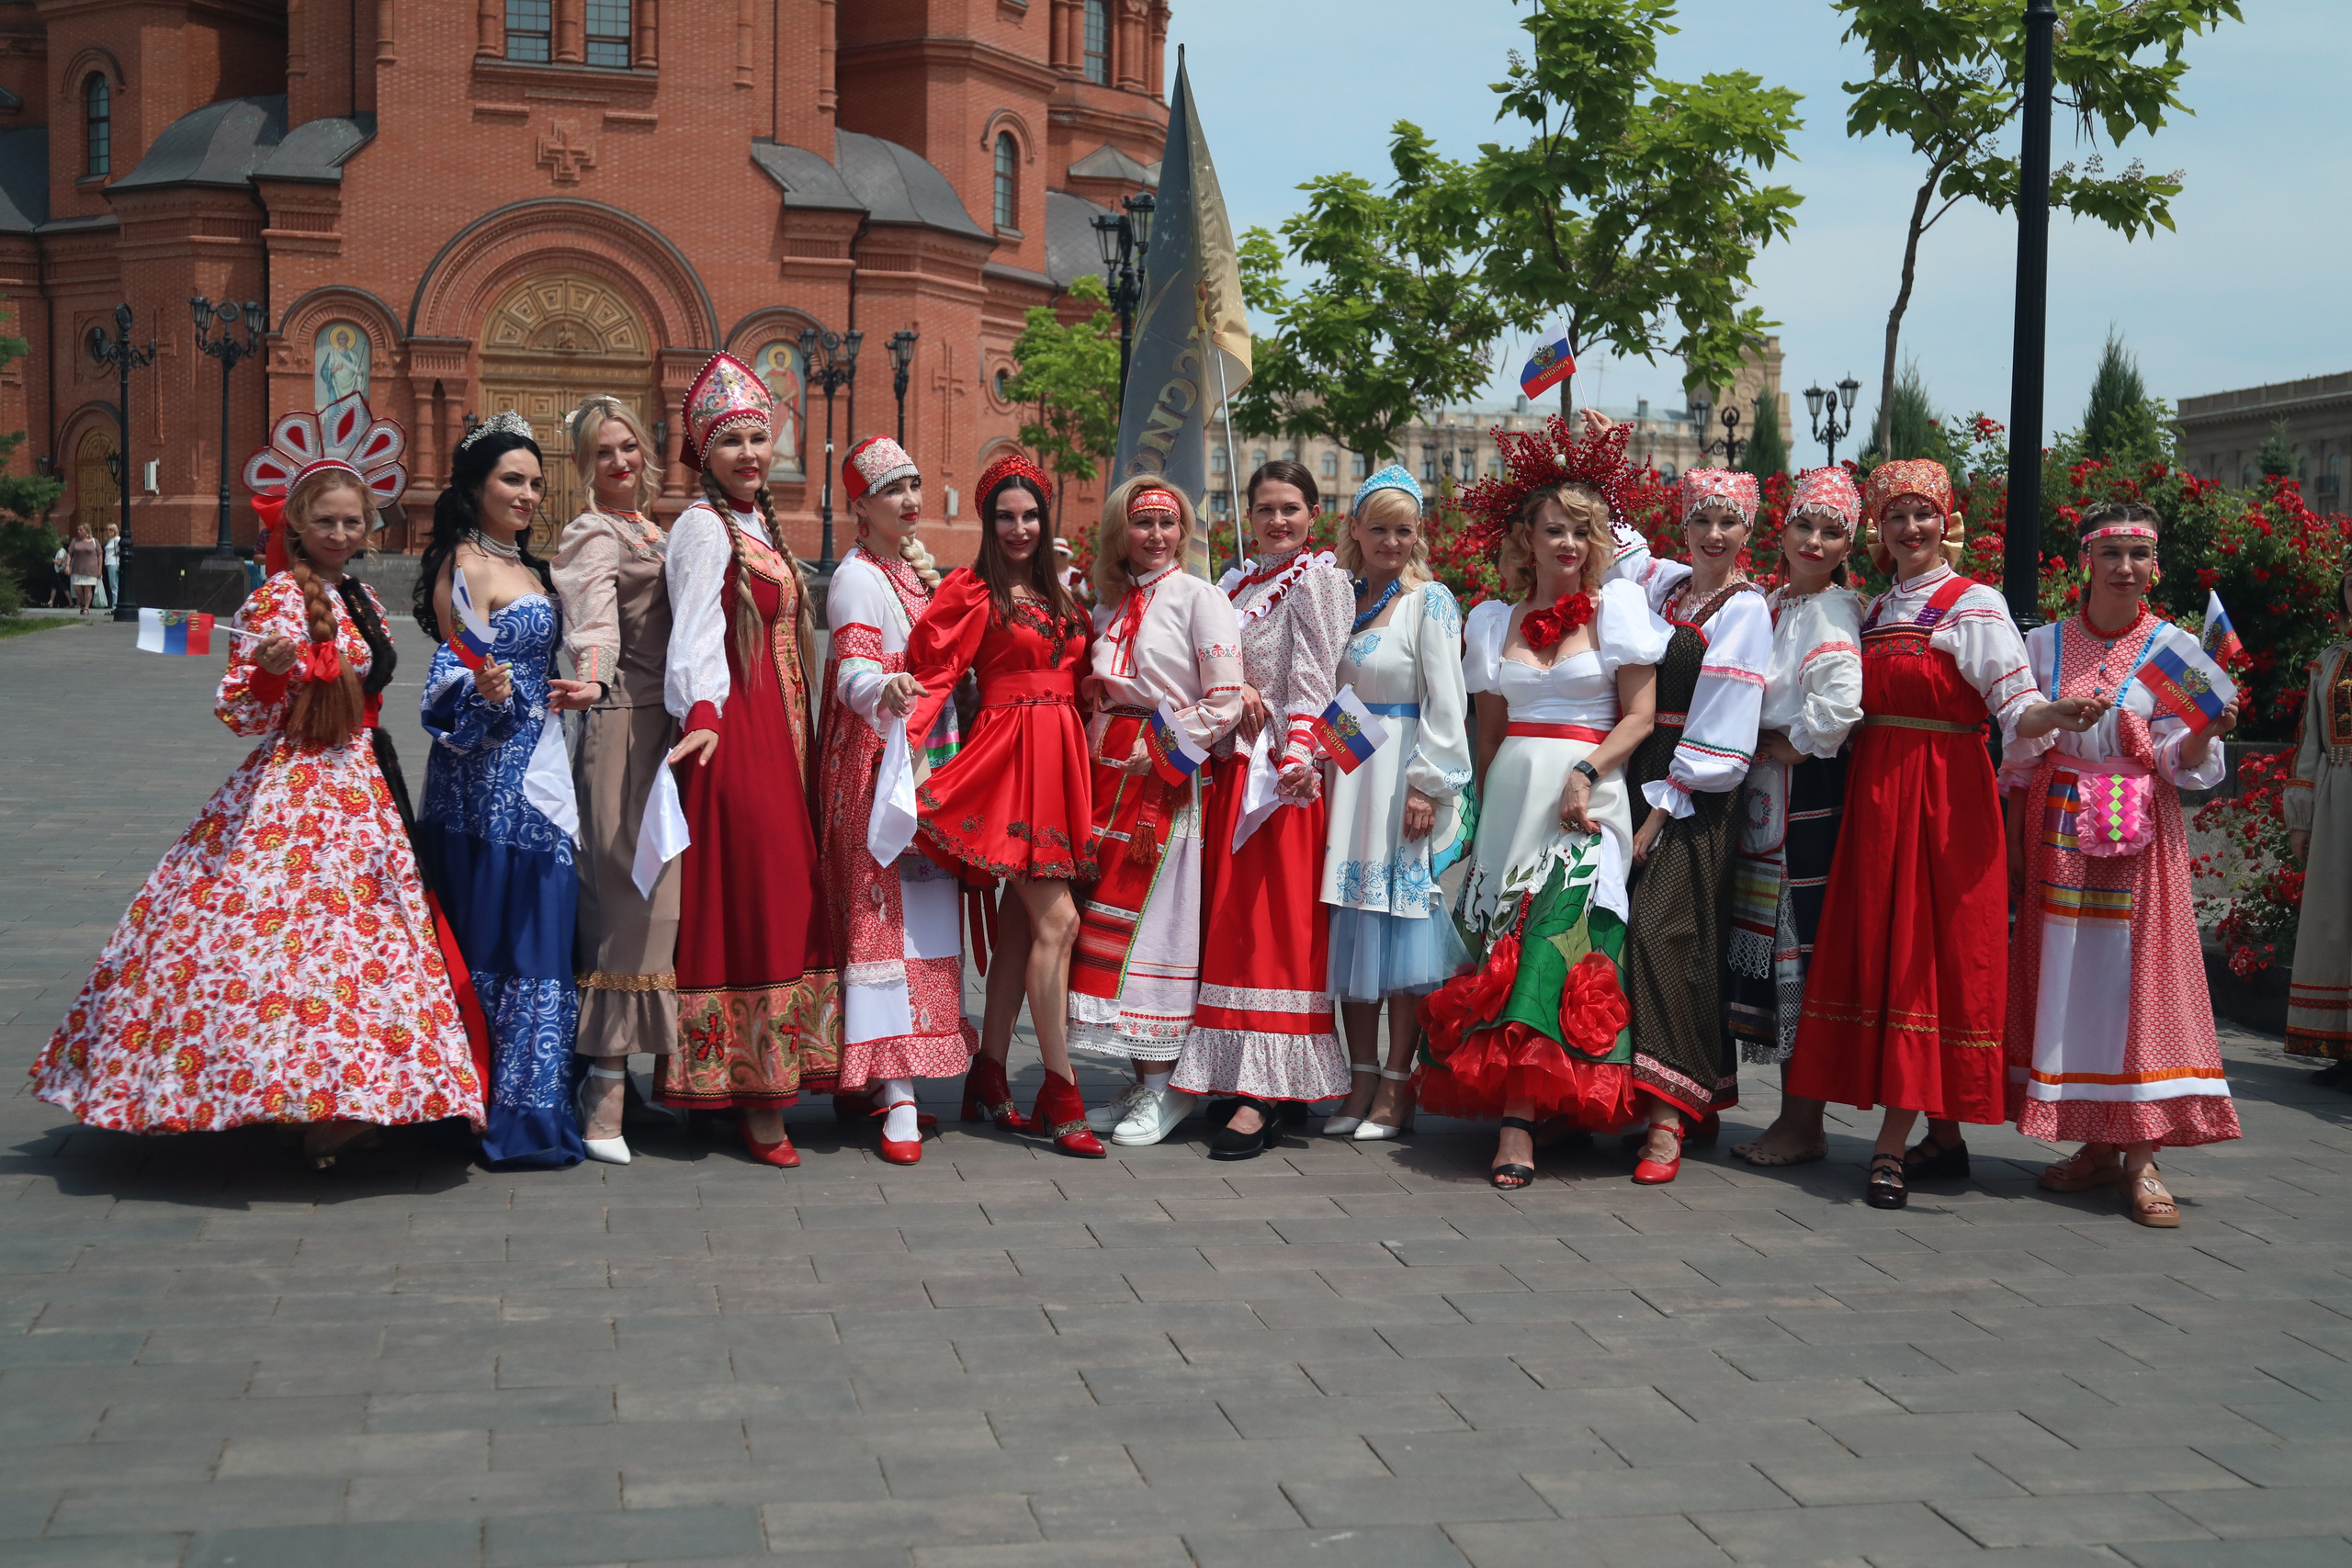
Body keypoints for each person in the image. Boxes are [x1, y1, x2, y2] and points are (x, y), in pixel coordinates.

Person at [32, 410, 485, 1167]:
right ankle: (280, 1091)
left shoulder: (366, 601)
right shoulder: (278, 599)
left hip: (365, 786)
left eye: (353, 521)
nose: (341, 533)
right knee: (286, 941)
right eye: (327, 522)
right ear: (299, 527)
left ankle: (349, 1093)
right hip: (294, 794)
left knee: (356, 944)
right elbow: (240, 711)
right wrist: (275, 666)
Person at [1786, 459, 2086, 1210]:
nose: (1910, 528)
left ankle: (1890, 1144)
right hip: (1879, 799)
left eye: (1924, 514)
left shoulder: (1973, 603)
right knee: (1893, 952)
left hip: (1946, 803)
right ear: (1878, 531)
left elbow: (2015, 710)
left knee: (1927, 956)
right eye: (1895, 516)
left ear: (1946, 521)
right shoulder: (1874, 607)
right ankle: (1944, 1138)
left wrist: (2053, 715)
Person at [1418, 413, 1667, 1187]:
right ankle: (1539, 1104)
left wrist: (1588, 773)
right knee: (1510, 944)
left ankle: (1520, 1122)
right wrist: (1479, 816)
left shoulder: (1617, 611)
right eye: (1553, 529)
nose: (1567, 544)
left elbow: (1641, 715)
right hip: (1514, 797)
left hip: (1587, 796)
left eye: (1581, 531)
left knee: (1559, 939)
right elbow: (1486, 734)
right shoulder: (1493, 620)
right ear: (1526, 538)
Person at [2002, 501, 2242, 1226]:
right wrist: (2047, 723)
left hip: (2140, 836)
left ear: (2155, 566)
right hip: (2061, 828)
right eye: (2112, 554)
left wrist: (2201, 734)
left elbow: (2184, 763)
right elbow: (2014, 742)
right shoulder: (2042, 646)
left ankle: (2141, 1154)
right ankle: (2096, 1145)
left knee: (2136, 981)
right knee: (2071, 979)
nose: (2125, 568)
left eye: (2139, 555)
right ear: (2086, 561)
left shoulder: (2174, 650)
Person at [661, 352, 840, 1167]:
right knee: (759, 895)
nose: (748, 453)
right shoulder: (703, 527)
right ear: (703, 451)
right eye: (730, 440)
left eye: (759, 437)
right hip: (735, 734)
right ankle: (756, 1096)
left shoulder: (762, 522)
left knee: (782, 890)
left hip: (786, 731)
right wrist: (701, 712)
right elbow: (694, 632)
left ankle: (748, 1079)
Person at [414, 412, 598, 1169]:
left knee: (545, 925)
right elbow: (451, 671)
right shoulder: (462, 567)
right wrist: (482, 685)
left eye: (534, 482)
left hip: (542, 761)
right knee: (497, 924)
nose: (527, 494)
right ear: (474, 485)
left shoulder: (530, 564)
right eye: (512, 480)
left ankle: (534, 1100)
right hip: (485, 776)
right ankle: (486, 1101)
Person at [905, 452, 1097, 1157]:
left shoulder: (1066, 596)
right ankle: (1062, 1089)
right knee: (1061, 922)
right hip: (1007, 765)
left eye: (1030, 515)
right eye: (1005, 517)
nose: (1020, 527)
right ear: (988, 524)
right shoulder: (971, 592)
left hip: (1062, 762)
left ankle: (989, 1072)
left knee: (1021, 930)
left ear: (1045, 520)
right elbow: (931, 677)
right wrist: (896, 760)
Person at [1159, 460, 1353, 1159]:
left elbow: (1315, 678)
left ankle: (1265, 1090)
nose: (1277, 520)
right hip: (1230, 772)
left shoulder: (1318, 580)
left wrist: (1298, 755)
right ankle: (1232, 1069)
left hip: (1280, 779)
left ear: (1313, 513)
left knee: (1275, 930)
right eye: (1265, 507)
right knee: (1231, 929)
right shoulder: (1237, 583)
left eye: (1291, 508)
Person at [1068, 479, 1247, 1146]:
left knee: (1156, 926)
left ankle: (1166, 1085)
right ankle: (1145, 1081)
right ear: (1121, 530)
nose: (1155, 535)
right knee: (1108, 924)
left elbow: (1225, 698)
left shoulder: (1202, 598)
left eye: (1167, 523)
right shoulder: (1111, 606)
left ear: (1185, 530)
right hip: (1105, 772)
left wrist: (1161, 744)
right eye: (1141, 522)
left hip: (1162, 779)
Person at [814, 434, 970, 1163]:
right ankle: (897, 1092)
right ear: (859, 506)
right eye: (894, 491)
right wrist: (886, 687)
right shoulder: (855, 579)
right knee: (880, 926)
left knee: (925, 924)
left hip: (923, 765)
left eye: (914, 486)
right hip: (875, 768)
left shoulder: (910, 575)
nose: (911, 500)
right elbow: (851, 673)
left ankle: (893, 1081)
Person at [1613, 469, 1771, 1183]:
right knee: (1626, 927)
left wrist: (1659, 809)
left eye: (1727, 523)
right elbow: (1613, 546)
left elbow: (1723, 724)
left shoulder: (1745, 609)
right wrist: (1593, 467)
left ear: (1748, 533)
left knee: (1664, 930)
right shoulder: (1667, 587)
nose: (1713, 534)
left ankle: (1668, 1119)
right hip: (1635, 763)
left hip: (1691, 786)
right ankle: (1672, 1098)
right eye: (1701, 520)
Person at [1318, 465, 1472, 1141]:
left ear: (1418, 534)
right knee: (1355, 928)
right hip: (1350, 774)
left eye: (1402, 529)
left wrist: (1424, 783)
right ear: (1354, 528)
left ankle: (1396, 1087)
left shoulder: (1428, 600)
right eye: (1377, 527)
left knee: (1403, 929)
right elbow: (1329, 693)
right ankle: (1358, 1080)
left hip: (1404, 771)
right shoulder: (1340, 600)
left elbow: (1449, 701)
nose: (1390, 540)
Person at [1727, 467, 1865, 1169]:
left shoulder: (1833, 611)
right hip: (1764, 791)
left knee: (1795, 956)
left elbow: (1840, 707)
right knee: (1776, 953)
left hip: (1800, 800)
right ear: (1780, 530)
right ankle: (1794, 1115)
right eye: (1804, 525)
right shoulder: (1774, 600)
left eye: (1831, 531)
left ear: (1849, 545)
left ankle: (1801, 1120)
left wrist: (1798, 744)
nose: (1814, 540)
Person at [550, 396, 675, 1165]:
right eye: (603, 453)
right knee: (626, 903)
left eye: (628, 447)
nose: (621, 462)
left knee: (667, 904)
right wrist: (593, 681)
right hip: (623, 721)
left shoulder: (659, 531)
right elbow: (592, 616)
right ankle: (602, 1089)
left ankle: (652, 1079)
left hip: (674, 731)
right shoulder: (593, 532)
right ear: (583, 467)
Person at [2286, 552, 2352, 1076]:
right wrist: (2301, 815)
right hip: (2337, 794)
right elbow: (2311, 742)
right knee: (2334, 921)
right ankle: (2338, 1044)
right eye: (2351, 582)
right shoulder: (2329, 660)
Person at [65, 523, 101, 615]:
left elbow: (100, 554)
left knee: (87, 588)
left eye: (81, 530)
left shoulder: (94, 541)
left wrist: (99, 568)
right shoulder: (75, 541)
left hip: (90, 568)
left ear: (86, 530)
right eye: (78, 530)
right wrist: (67, 565)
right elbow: (70, 553)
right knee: (77, 587)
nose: (79, 531)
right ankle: (83, 602)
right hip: (77, 567)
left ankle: (86, 608)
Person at [102, 524, 119, 609]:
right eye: (107, 529)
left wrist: (116, 555)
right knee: (113, 585)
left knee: (114, 585)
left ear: (115, 531)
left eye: (111, 530)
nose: (108, 531)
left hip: (114, 563)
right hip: (109, 563)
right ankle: (114, 604)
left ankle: (115, 606)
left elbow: (121, 549)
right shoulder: (110, 540)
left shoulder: (117, 539)